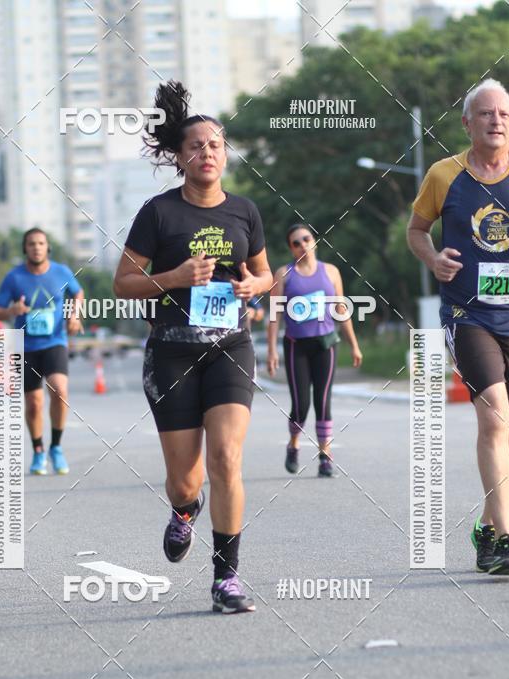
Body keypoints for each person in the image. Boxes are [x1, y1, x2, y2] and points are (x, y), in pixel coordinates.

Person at [113, 79, 273, 614]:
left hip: (231, 344)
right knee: (185, 478)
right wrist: (177, 275)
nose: (208, 153)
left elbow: (265, 273)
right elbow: (123, 283)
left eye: (216, 145)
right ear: (179, 159)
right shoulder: (158, 214)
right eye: (196, 147)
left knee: (227, 457)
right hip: (172, 351)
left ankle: (226, 578)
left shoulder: (246, 211)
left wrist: (255, 285)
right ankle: (185, 511)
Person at [408, 78, 509, 575]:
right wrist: (433, 259)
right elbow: (416, 229)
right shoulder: (443, 174)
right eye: (486, 114)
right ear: (467, 122)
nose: (496, 121)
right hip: (467, 313)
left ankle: (488, 527)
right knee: (494, 415)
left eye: (504, 114)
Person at [267, 225, 362, 476]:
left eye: (306, 239)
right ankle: (294, 444)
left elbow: (341, 310)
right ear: (291, 248)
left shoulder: (330, 272)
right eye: (296, 243)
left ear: (315, 242)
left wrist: (353, 345)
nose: (303, 245)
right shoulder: (284, 274)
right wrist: (272, 351)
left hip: (326, 345)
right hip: (296, 346)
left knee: (323, 402)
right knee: (301, 405)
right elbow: (274, 316)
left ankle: (325, 455)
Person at [0, 228, 83, 475]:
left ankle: (55, 447)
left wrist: (74, 315)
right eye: (31, 244)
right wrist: (12, 311)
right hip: (26, 346)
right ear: (25, 248)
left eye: (41, 243)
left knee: (59, 390)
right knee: (33, 403)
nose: (36, 247)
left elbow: (78, 293)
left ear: (47, 247)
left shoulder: (61, 272)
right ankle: (39, 450)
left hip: (55, 342)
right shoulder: (14, 278)